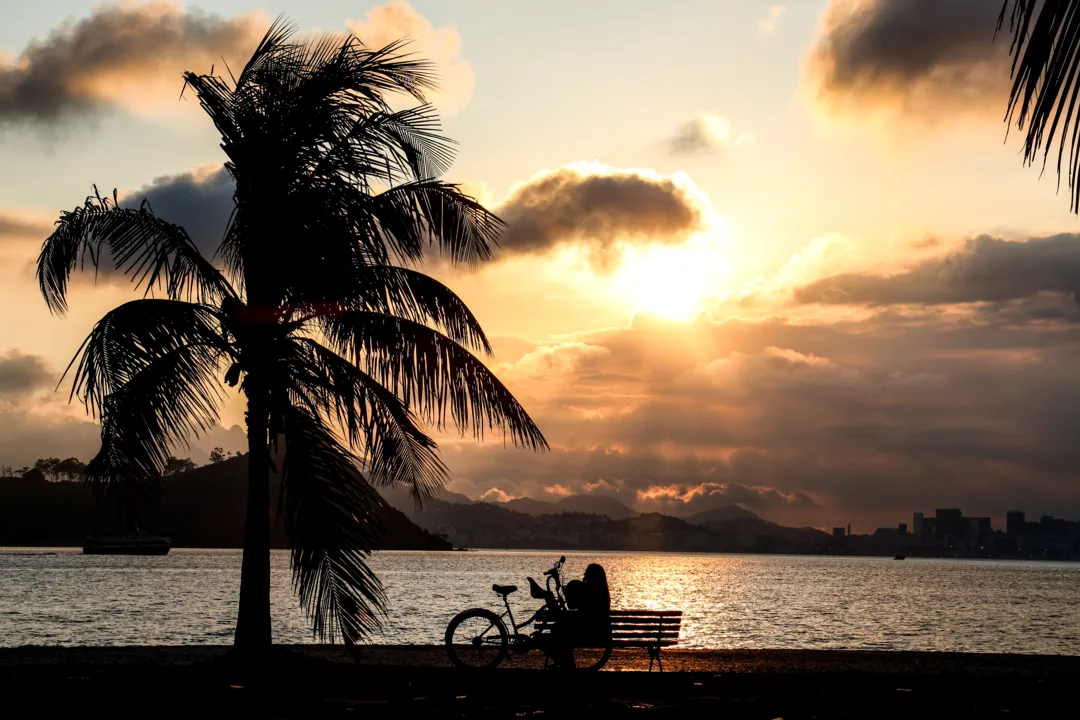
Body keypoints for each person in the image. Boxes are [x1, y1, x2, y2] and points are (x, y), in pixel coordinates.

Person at [549, 563, 611, 669]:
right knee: (561, 630)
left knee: (558, 631)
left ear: (591, 576)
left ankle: (566, 664)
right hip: (599, 632)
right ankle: (566, 663)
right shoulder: (601, 592)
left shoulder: (590, 591)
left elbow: (571, 605)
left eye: (586, 574)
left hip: (589, 633)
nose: (584, 576)